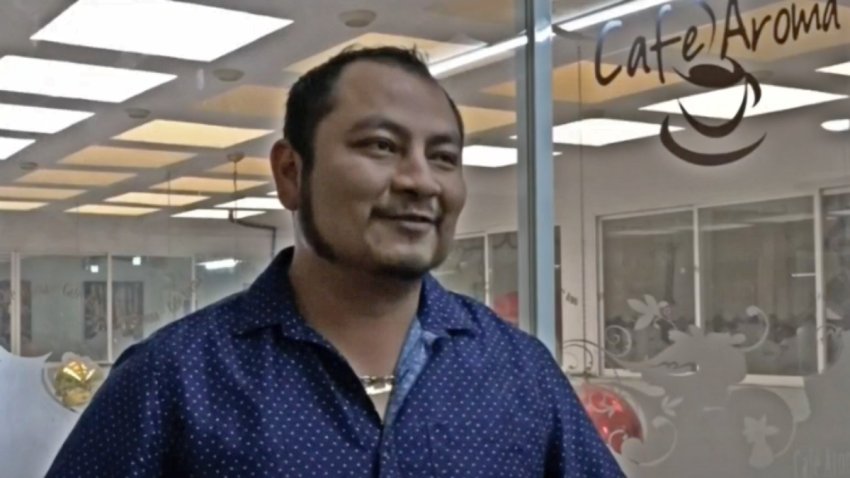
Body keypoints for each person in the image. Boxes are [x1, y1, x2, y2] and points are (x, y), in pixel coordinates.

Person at [45, 46, 625, 478]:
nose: (421, 180)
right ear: (291, 173)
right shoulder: (175, 378)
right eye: (381, 146)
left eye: (444, 156)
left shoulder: (518, 372)